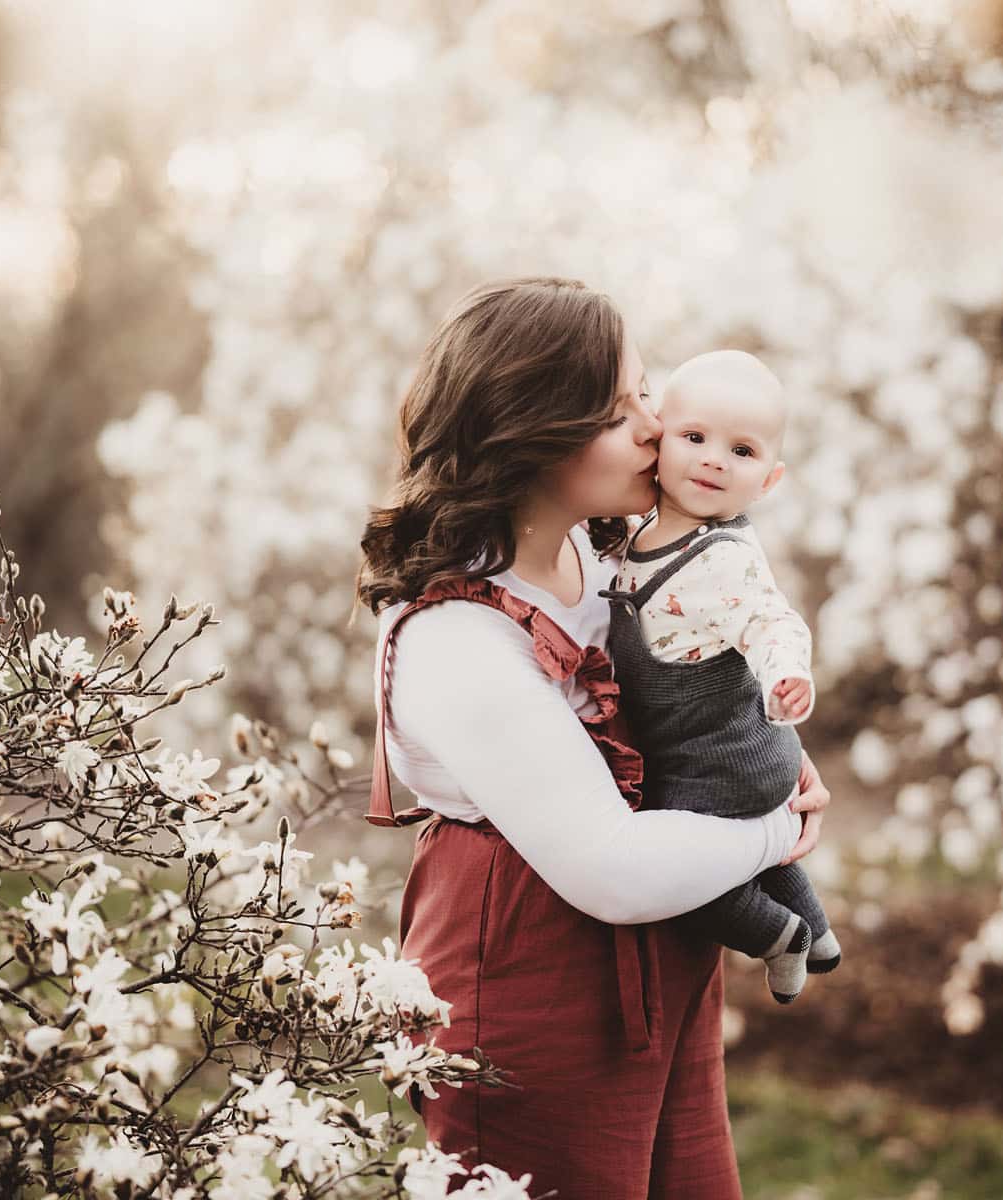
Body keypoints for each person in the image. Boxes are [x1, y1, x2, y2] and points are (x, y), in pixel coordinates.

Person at [357, 277, 830, 1199]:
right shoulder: (458, 637)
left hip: (666, 935)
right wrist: (778, 828)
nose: (658, 426)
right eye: (622, 410)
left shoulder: (601, 552)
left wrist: (764, 754)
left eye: (645, 391)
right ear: (532, 438)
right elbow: (609, 867)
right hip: (530, 968)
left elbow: (686, 688)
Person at [601, 349, 841, 1005]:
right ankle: (819, 933)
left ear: (769, 479)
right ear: (660, 440)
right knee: (770, 843)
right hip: (750, 752)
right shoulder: (642, 533)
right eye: (695, 438)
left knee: (683, 878)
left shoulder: (723, 559)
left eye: (741, 451)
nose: (713, 460)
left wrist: (787, 673)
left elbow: (771, 620)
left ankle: (778, 936)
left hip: (716, 765)